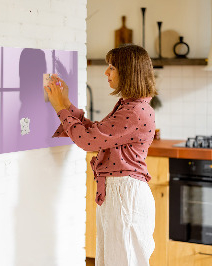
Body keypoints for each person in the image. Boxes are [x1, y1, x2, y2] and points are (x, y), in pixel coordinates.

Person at [45, 44, 157, 266]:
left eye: (112, 67)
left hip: (125, 195)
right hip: (120, 193)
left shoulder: (134, 111)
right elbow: (96, 133)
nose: (106, 72)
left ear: (128, 72)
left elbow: (88, 141)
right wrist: (66, 104)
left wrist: (60, 108)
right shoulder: (130, 106)